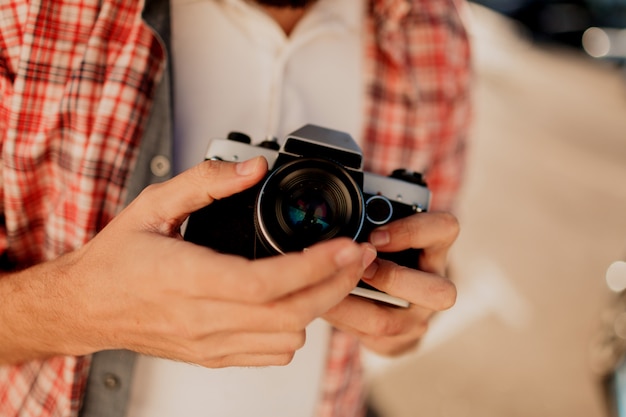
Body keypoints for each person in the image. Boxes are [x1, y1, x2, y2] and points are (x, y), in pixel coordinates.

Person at [0, 0, 471, 416]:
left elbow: (431, 261)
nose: (308, 215)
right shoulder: (33, 11)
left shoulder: (436, 30)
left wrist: (405, 318)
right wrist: (85, 309)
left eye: (314, 209)